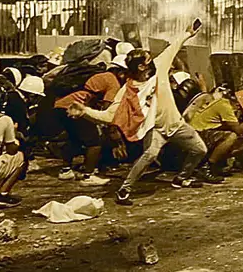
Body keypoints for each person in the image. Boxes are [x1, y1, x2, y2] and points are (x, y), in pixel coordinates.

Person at [70, 22, 216, 206]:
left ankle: (182, 178)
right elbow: (109, 116)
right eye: (147, 60)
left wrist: (187, 33)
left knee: (199, 149)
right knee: (150, 155)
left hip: (176, 124)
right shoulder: (128, 91)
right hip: (154, 129)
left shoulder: (159, 68)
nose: (152, 60)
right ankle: (125, 189)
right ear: (140, 67)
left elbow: (173, 48)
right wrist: (84, 111)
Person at [49, 55, 127, 186]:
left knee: (74, 138)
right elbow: (107, 112)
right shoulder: (113, 81)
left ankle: (65, 171)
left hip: (61, 105)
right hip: (75, 107)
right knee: (95, 142)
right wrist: (115, 136)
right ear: (121, 73)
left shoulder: (102, 75)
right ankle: (88, 176)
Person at [190, 89, 243, 179]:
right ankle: (207, 167)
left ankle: (216, 166)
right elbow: (238, 130)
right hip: (197, 134)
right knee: (231, 137)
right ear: (238, 105)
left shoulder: (222, 102)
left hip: (199, 133)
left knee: (239, 143)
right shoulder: (225, 106)